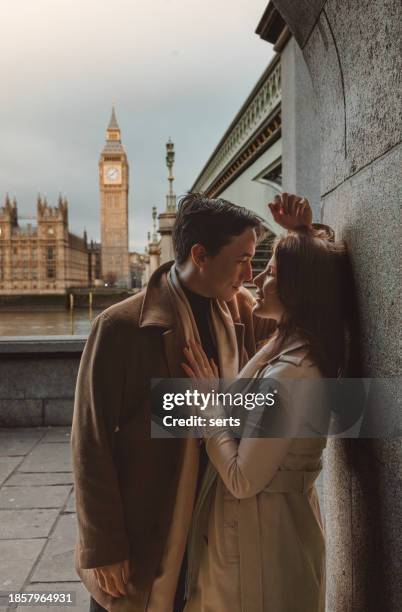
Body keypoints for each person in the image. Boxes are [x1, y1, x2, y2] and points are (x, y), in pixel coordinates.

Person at [72, 192, 278, 612]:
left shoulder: (247, 314)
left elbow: (310, 321)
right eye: (241, 258)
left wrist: (307, 234)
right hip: (146, 527)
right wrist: (103, 545)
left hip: (217, 527)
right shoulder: (121, 328)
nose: (250, 272)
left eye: (253, 258)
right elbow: (90, 440)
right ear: (200, 255)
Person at [182, 214, 347, 612]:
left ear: (296, 289)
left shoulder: (289, 372)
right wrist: (303, 231)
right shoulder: (286, 344)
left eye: (270, 272)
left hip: (258, 545)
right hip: (269, 532)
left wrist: (207, 409)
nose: (256, 279)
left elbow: (241, 478)